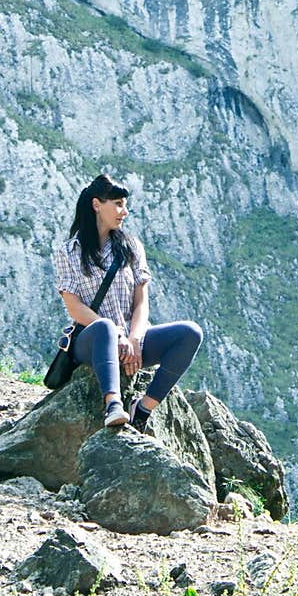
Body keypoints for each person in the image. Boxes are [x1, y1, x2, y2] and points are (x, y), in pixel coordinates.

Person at [53, 172, 203, 430]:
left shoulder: (131, 246)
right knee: (105, 327)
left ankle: (143, 409)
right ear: (97, 205)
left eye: (125, 204)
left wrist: (133, 339)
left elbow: (141, 302)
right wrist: (117, 336)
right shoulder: (69, 252)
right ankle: (113, 404)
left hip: (131, 339)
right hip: (92, 340)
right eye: (118, 204)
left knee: (190, 333)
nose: (125, 211)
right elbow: (74, 306)